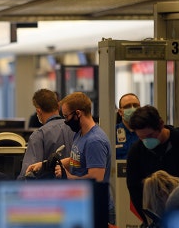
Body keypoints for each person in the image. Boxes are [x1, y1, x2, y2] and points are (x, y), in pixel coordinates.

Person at [26, 92, 115, 225]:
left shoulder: (94, 141)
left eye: (66, 116)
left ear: (78, 114)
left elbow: (96, 180)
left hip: (97, 208)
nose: (65, 121)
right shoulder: (80, 134)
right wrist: (44, 165)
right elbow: (76, 158)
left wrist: (68, 177)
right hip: (83, 205)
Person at [126, 105, 179, 226]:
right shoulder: (137, 152)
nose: (146, 141)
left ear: (161, 124)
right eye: (141, 138)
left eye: (150, 136)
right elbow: (135, 190)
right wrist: (149, 219)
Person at [17, 88, 73, 180]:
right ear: (58, 107)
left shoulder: (39, 135)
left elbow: (27, 174)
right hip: (76, 188)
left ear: (38, 111)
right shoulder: (75, 128)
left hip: (48, 190)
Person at [115, 93, 141, 160]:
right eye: (127, 106)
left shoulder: (147, 132)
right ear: (120, 112)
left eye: (136, 105)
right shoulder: (113, 133)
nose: (133, 109)